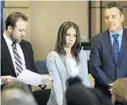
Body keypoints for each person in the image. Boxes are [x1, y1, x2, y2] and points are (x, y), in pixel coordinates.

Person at [89, 2, 127, 105]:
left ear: (122, 17)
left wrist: (122, 86)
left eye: (113, 17)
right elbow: (94, 67)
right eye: (106, 17)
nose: (109, 20)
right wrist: (112, 85)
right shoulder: (97, 40)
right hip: (103, 93)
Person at [1, 12, 50, 89]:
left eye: (25, 30)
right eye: (20, 31)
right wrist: (2, 80)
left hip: (26, 96)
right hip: (4, 97)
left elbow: (32, 70)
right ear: (10, 28)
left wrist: (41, 81)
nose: (24, 34)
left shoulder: (27, 46)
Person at [46, 21, 90, 105]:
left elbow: (85, 80)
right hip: (61, 101)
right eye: (68, 35)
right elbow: (57, 85)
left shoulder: (81, 54)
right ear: (62, 36)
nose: (71, 39)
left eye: (74, 35)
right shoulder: (53, 56)